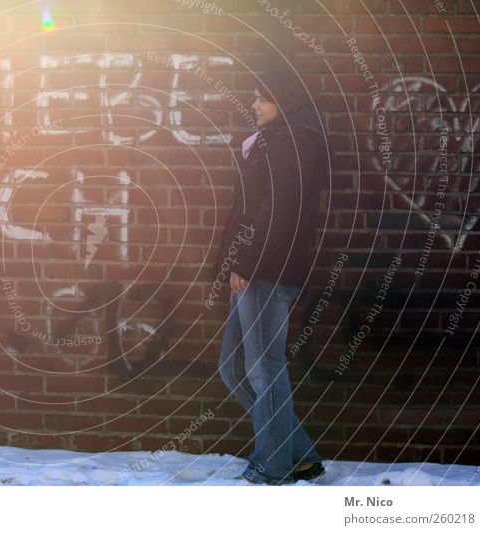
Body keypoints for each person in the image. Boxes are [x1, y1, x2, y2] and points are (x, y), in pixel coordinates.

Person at [211, 69, 332, 485]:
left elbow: (279, 212)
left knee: (263, 369)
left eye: (263, 98)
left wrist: (245, 261)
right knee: (235, 368)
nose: (255, 105)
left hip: (266, 270)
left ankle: (272, 465)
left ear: (285, 99)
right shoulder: (277, 139)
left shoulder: (292, 142)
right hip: (254, 269)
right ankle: (297, 454)